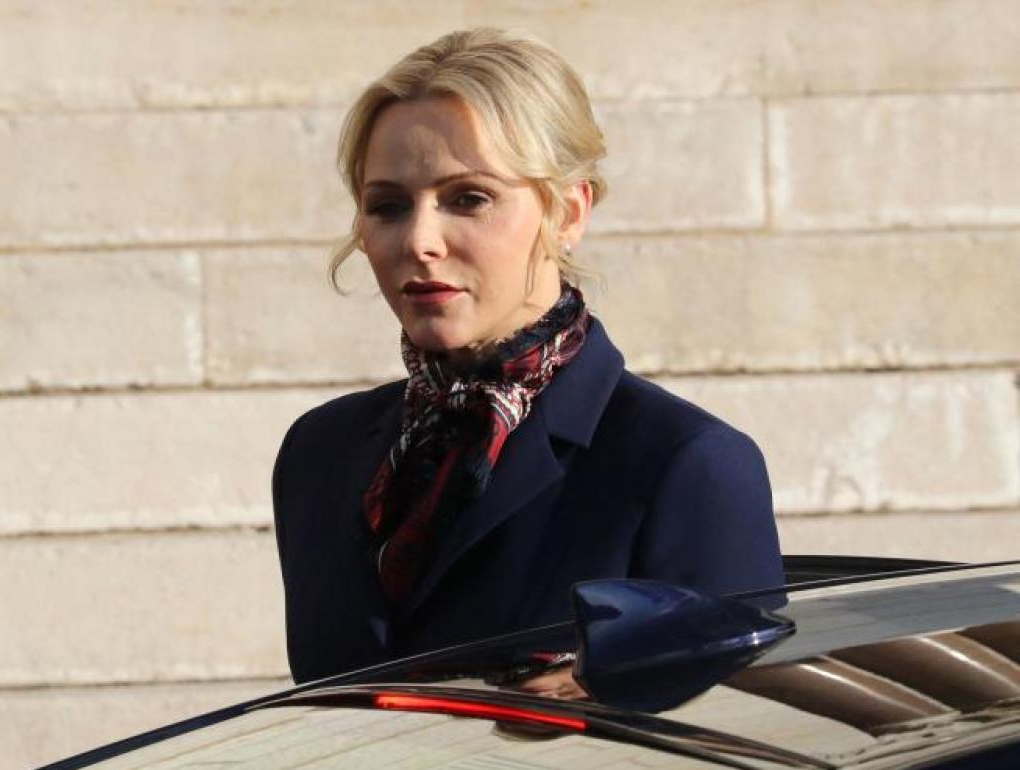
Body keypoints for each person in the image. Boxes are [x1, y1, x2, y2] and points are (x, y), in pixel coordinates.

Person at [272, 27, 784, 684]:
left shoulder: (685, 465)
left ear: (568, 213)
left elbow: (741, 726)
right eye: (388, 206)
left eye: (469, 198)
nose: (420, 240)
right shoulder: (320, 453)